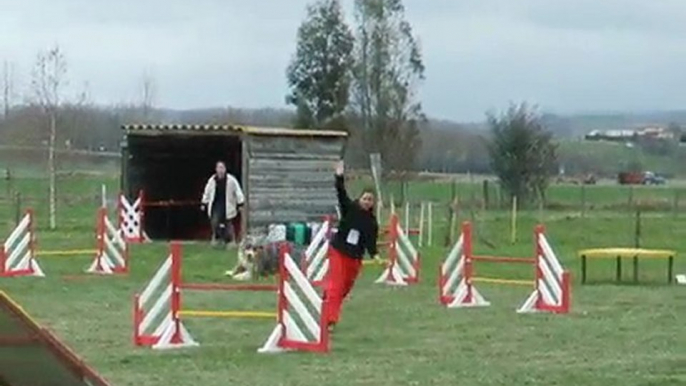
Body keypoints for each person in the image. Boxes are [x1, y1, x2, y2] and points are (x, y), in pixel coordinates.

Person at [325, 160, 380, 332]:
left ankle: (327, 303)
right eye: (365, 198)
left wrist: (375, 254)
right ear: (360, 198)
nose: (367, 201)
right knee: (337, 284)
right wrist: (339, 176)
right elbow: (340, 192)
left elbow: (371, 242)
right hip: (339, 251)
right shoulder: (350, 208)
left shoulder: (372, 222)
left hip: (354, 258)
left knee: (345, 288)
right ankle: (330, 320)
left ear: (373, 203)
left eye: (370, 200)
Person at [201, 161, 245, 246]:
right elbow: (207, 192)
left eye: (222, 168)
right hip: (216, 204)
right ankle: (216, 239)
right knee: (214, 222)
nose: (220, 170)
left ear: (225, 169)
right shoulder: (212, 180)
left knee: (228, 223)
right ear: (216, 169)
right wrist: (204, 202)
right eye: (219, 168)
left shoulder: (231, 180)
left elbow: (237, 191)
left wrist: (240, 203)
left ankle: (232, 241)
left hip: (228, 204)